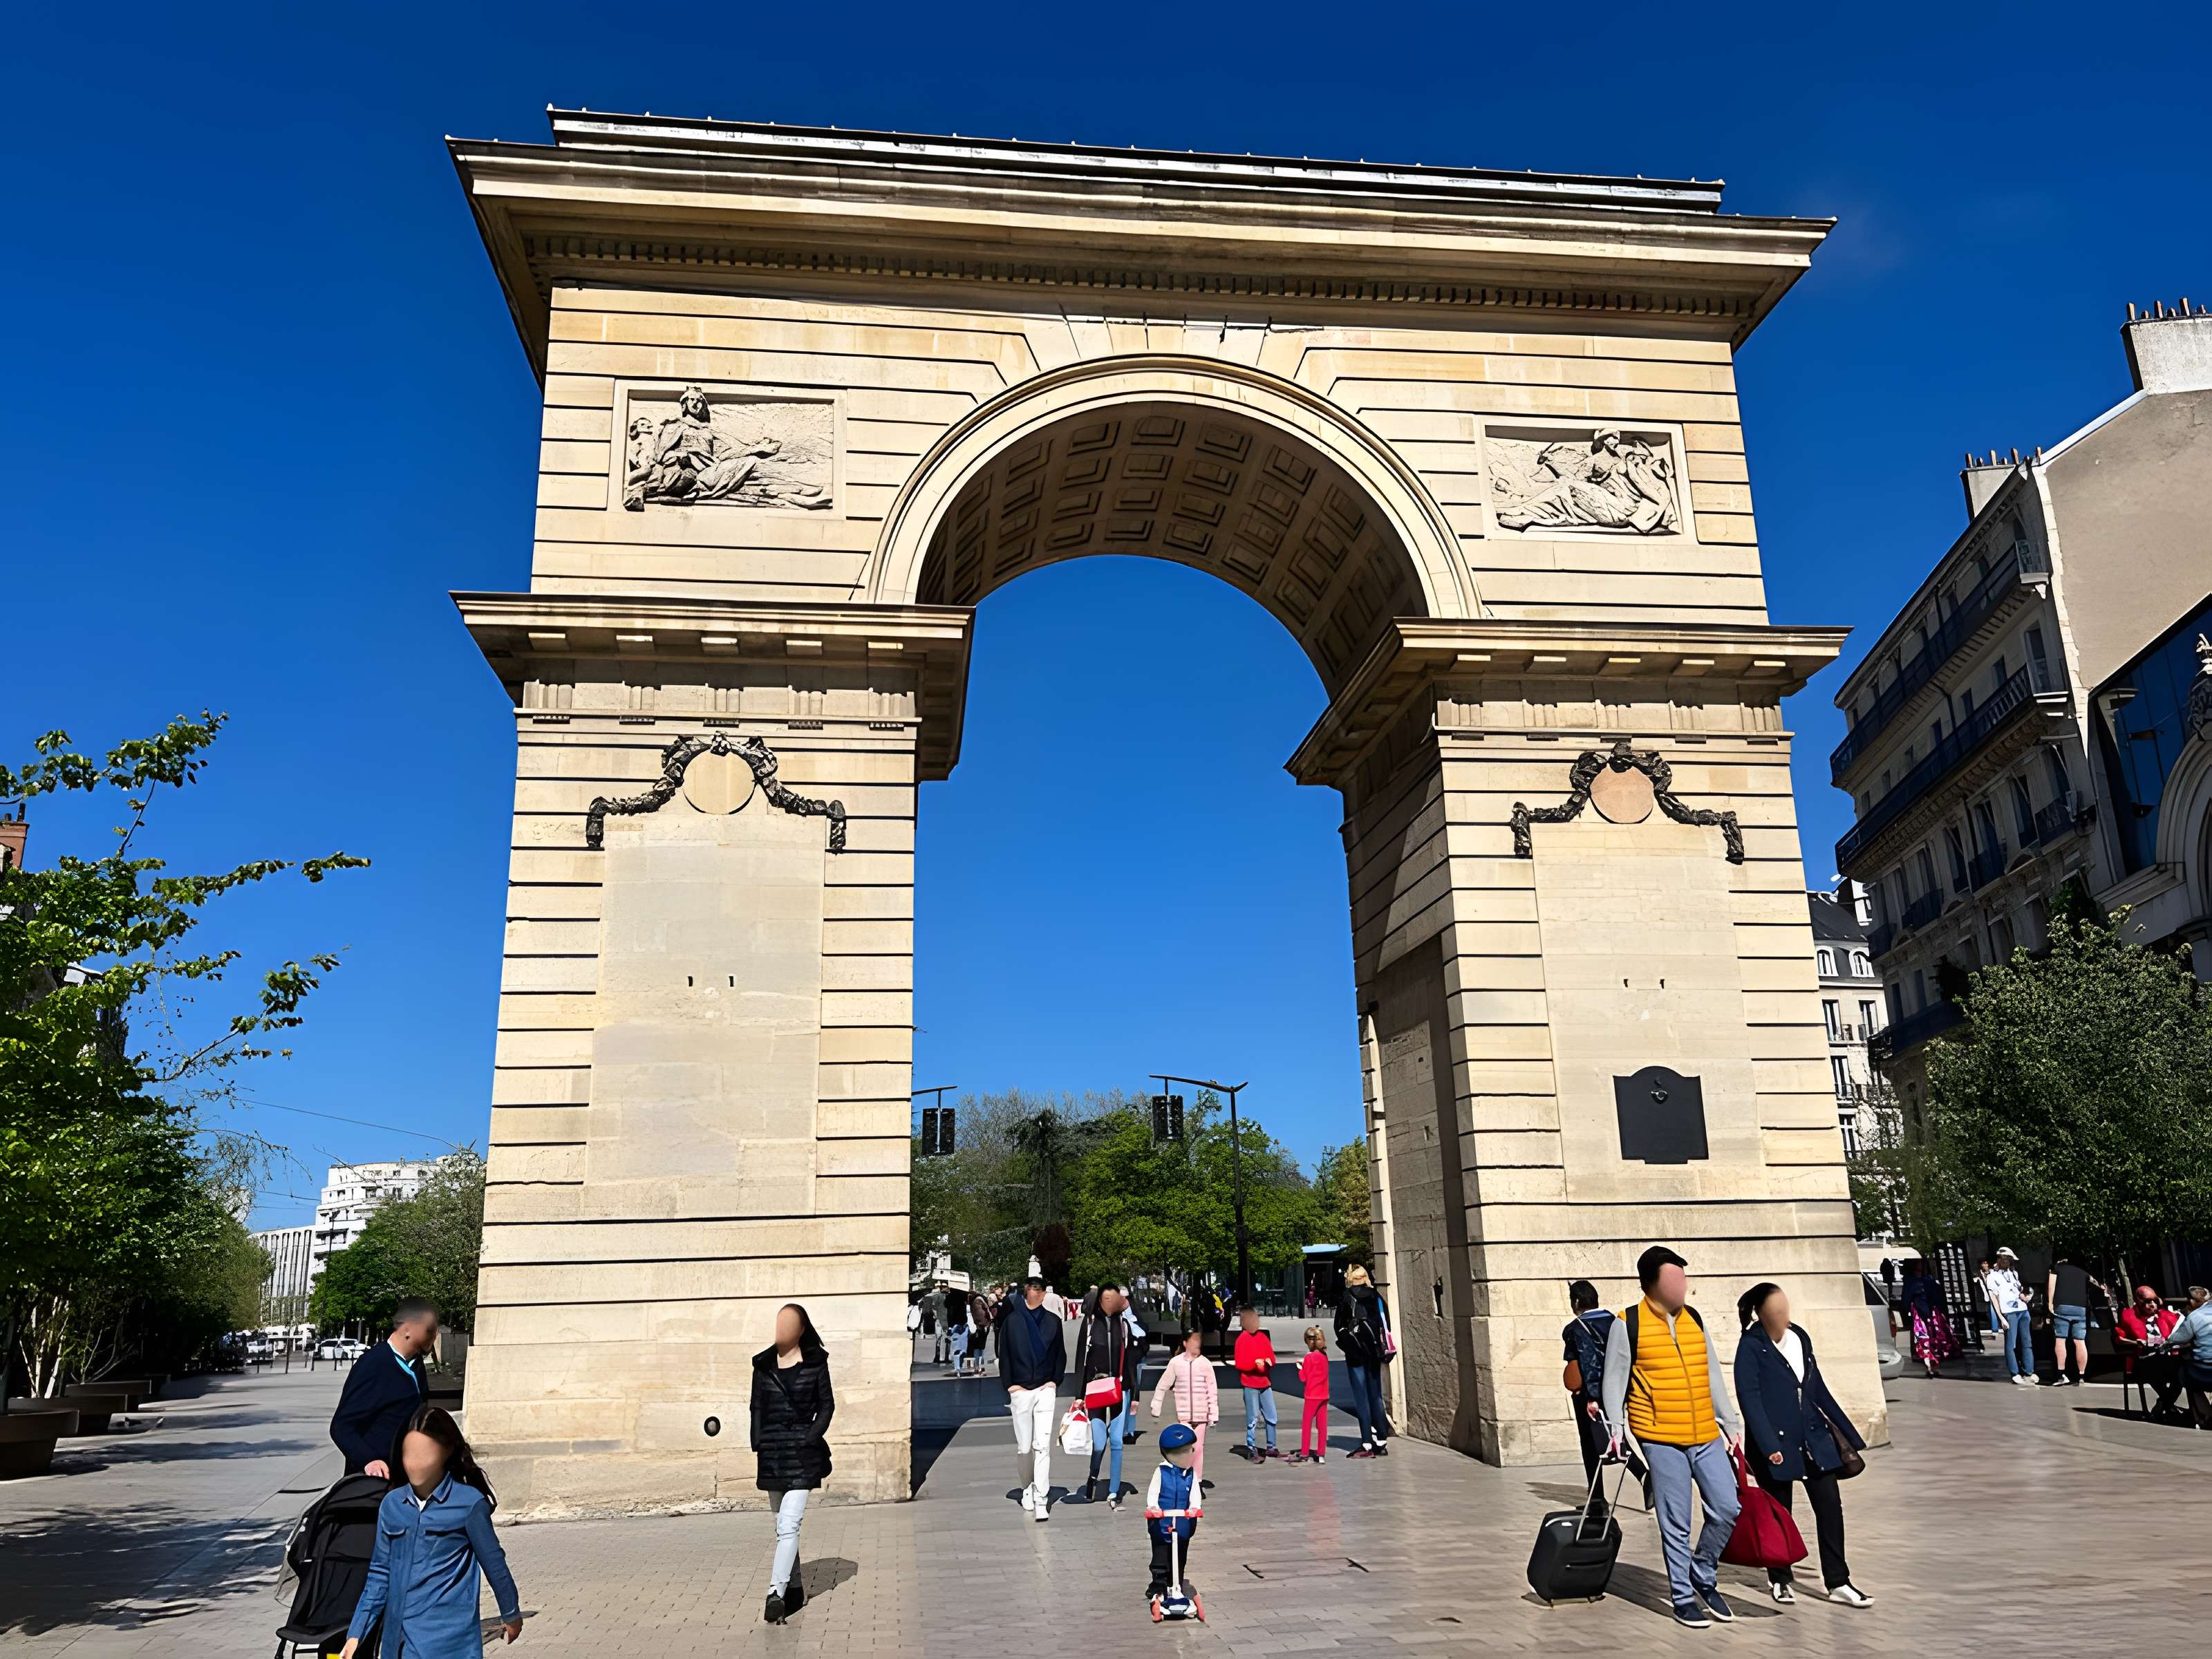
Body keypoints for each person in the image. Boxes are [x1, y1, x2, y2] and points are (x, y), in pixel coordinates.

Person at [1600, 1246, 1743, 1631]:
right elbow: (1613, 1380)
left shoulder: (1694, 1318)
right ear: (1652, 1283)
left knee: (1728, 1507)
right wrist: (1616, 1429)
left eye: (1683, 1277)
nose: (1683, 1284)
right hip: (1660, 1438)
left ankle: (1703, 1571)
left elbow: (1712, 1372)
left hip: (1705, 1435)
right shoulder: (1626, 1322)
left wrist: (1730, 1423)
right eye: (1675, 1277)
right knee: (1675, 1522)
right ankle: (1682, 1596)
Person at [339, 1405, 522, 1656]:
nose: (415, 1464)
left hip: (449, 1642)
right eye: (409, 1454)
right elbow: (380, 1573)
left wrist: (511, 1613)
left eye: (425, 1454)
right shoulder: (392, 1505)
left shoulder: (468, 1503)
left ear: (446, 1452)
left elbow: (493, 1562)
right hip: (398, 1642)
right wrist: (356, 1634)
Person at [1733, 1282, 1874, 1609]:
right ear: (1761, 1314)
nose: (1783, 1316)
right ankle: (1780, 1578)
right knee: (1781, 1514)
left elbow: (1817, 1388)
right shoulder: (1751, 1346)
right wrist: (1768, 1445)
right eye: (1775, 1311)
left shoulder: (1800, 1337)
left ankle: (1839, 1582)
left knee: (1830, 1509)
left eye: (1785, 1308)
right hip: (1777, 1446)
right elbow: (1749, 1400)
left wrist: (1848, 1434)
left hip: (1814, 1441)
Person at [751, 1302, 834, 1624]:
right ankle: (796, 1588)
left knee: (789, 1525)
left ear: (801, 1329)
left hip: (802, 1454)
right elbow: (756, 1407)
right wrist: (757, 1441)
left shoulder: (816, 1363)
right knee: (782, 1528)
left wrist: (811, 1436)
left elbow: (827, 1405)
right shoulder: (762, 1365)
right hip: (772, 1454)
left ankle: (776, 1592)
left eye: (789, 1324)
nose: (781, 1330)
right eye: (778, 1323)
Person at [1561, 1280, 1645, 1519]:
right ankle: (1603, 1495)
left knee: (1591, 1443)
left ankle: (1600, 1498)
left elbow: (1586, 1363)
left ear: (1576, 1302)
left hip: (1590, 1395)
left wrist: (1593, 1398)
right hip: (1621, 1389)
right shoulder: (1616, 1321)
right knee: (1613, 1434)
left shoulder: (1575, 1329)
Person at [330, 1299, 437, 1478]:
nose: (434, 1336)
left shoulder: (416, 1364)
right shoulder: (374, 1364)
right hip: (377, 1483)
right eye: (429, 1330)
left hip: (408, 1480)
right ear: (407, 1329)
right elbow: (341, 1426)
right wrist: (369, 1461)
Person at [1000, 1276, 1067, 1521]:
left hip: (1044, 1388)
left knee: (1042, 1445)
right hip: (1020, 1390)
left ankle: (1041, 1496)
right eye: (1033, 1290)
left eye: (1041, 1290)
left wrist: (1054, 1381)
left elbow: (1060, 1353)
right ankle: (1027, 1486)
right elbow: (1003, 1353)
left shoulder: (1053, 1321)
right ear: (1026, 1292)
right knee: (1025, 1446)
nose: (1037, 1295)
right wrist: (1010, 1386)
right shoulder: (1012, 1322)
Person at [1071, 1285, 1143, 1506]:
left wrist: (1136, 1395)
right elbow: (1081, 1362)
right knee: (1100, 1443)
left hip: (1120, 1389)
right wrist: (1079, 1395)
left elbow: (1133, 1361)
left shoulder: (1125, 1326)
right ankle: (1093, 1476)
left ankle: (1114, 1491)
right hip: (1095, 1390)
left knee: (1117, 1442)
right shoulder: (1091, 1326)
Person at [1333, 1264, 1395, 1458]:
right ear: (1366, 1278)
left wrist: (1348, 1344)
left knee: (1361, 1398)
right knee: (1375, 1395)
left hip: (1355, 1354)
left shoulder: (1347, 1297)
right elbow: (1387, 1324)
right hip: (1373, 1353)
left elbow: (1338, 1326)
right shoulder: (1376, 1297)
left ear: (1351, 1279)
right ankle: (1382, 1440)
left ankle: (1367, 1441)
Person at [1148, 1327, 1221, 1485]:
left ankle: (1197, 1481)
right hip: (1184, 1416)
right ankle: (1184, 1478)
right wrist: (1156, 1405)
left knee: (1198, 1449)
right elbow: (1163, 1385)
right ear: (1185, 1343)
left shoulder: (1205, 1363)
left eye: (1199, 1341)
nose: (1197, 1344)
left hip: (1201, 1416)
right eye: (1193, 1341)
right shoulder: (1175, 1363)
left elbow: (1212, 1389)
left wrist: (1213, 1414)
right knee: (1184, 1449)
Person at [1144, 1423, 1203, 1605]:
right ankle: (1158, 1585)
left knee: (1180, 1556)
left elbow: (1195, 1494)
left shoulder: (1191, 1475)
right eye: (1185, 1452)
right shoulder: (1161, 1471)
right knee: (1160, 1555)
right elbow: (1153, 1493)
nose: (1190, 1455)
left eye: (1190, 1451)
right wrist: (1153, 1507)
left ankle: (1175, 1583)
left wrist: (1195, 1508)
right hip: (1162, 1523)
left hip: (1183, 1523)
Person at [2114, 1286, 2184, 1419]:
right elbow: (2119, 1339)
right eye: (2148, 1302)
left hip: (2167, 1357)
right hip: (2143, 1360)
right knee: (2153, 1370)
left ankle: (2164, 1403)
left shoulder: (2165, 1315)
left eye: (2155, 1301)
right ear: (2139, 1302)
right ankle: (2168, 1405)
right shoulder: (2129, 1316)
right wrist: (2136, 1343)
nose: (2153, 1305)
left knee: (2184, 1371)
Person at [2044, 1254, 2109, 1387]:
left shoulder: (2056, 1269)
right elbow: (2097, 1285)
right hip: (2080, 1308)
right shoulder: (2084, 1273)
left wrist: (2050, 1304)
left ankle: (2061, 1374)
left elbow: (2051, 1286)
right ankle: (2081, 1375)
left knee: (2060, 1339)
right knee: (2080, 1341)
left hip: (2062, 1306)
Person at [1232, 1308, 1281, 1460]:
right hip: (1250, 1384)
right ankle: (1251, 1447)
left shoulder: (1263, 1337)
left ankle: (1271, 1446)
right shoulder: (1242, 1339)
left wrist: (1269, 1362)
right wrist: (1254, 1364)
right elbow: (1240, 1364)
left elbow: (1272, 1357)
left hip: (1265, 1383)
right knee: (1252, 1418)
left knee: (1271, 1416)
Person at [1899, 1259, 1959, 1378]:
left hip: (1932, 1315)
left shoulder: (1927, 1281)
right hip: (1921, 1315)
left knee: (1936, 1341)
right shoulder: (1914, 1282)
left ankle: (1933, 1366)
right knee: (1924, 1341)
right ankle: (1929, 1366)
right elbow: (1906, 1301)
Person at [1987, 1248, 2035, 1384]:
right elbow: (1994, 1298)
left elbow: (2016, 1290)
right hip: (2008, 1312)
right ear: (1999, 1259)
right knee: (2011, 1344)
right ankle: (2015, 1372)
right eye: (2005, 1259)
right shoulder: (1993, 1277)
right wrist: (2001, 1318)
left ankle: (2029, 1371)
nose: (2007, 1261)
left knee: (2027, 1342)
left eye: (2009, 1259)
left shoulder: (2014, 1274)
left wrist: (2024, 1297)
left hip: (2022, 1309)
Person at [2171, 1285, 2212, 1430]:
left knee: (2185, 1374)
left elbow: (2175, 1339)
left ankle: (2204, 1416)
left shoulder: (2194, 1317)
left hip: (2206, 1370)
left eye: (2190, 1299)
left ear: (2197, 1301)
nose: (2188, 1302)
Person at [1289, 1325, 1331, 1463]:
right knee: (1322, 1425)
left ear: (1309, 1342)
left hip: (1312, 1396)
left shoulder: (1309, 1358)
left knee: (1307, 1424)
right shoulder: (1324, 1357)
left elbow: (1304, 1378)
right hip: (1324, 1395)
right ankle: (1321, 1454)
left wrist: (1300, 1368)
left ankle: (1305, 1452)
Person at [943, 1288, 969, 1377]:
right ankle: (960, 1365)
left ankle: (957, 1368)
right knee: (963, 1348)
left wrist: (950, 1327)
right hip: (964, 1325)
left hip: (955, 1325)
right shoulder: (964, 1295)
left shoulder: (950, 1297)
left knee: (956, 1348)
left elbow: (946, 1306)